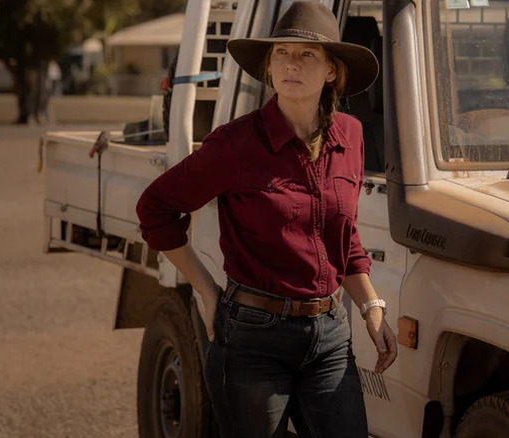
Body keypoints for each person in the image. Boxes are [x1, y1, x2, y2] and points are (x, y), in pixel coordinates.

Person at [135, 2, 397, 437]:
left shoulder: (349, 136)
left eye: (307, 55)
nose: (291, 64)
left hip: (330, 337)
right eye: (281, 53)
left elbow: (343, 235)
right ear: (269, 66)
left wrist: (371, 307)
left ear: (332, 71)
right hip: (252, 340)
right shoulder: (236, 144)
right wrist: (204, 288)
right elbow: (155, 209)